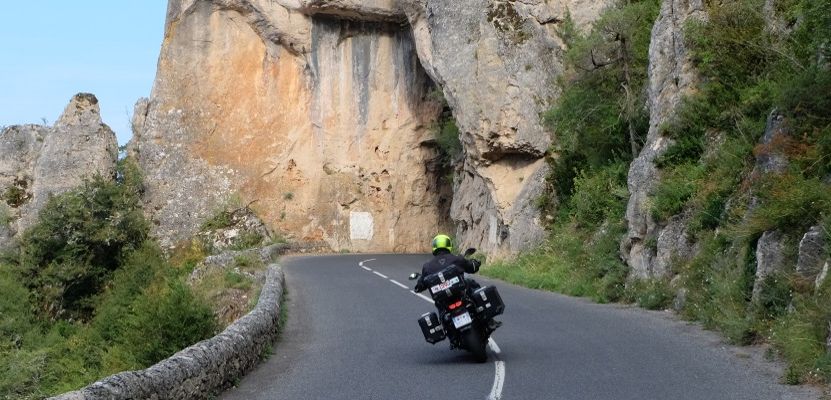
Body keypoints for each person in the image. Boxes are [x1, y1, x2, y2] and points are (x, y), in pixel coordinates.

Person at [413, 234, 481, 294]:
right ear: (449, 245)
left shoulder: (427, 266)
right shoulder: (458, 259)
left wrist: (419, 286)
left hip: (442, 301)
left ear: (434, 246)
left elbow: (421, 285)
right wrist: (476, 263)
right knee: (470, 283)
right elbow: (472, 268)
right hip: (459, 294)